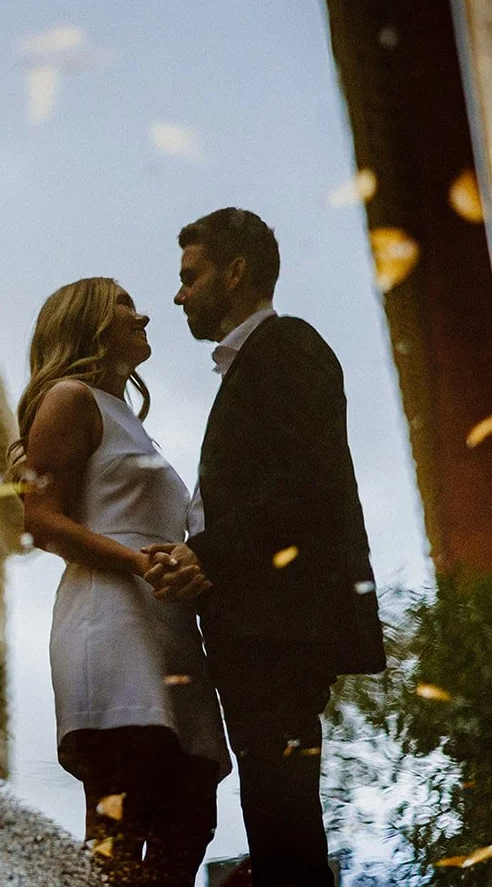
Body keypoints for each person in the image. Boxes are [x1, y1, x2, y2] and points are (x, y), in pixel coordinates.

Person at [144, 208, 386, 887]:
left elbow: (307, 485)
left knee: (282, 818)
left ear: (236, 271)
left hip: (281, 630)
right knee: (276, 812)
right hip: (262, 633)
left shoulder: (286, 347)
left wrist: (206, 555)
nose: (179, 294)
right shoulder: (257, 362)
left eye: (191, 276)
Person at [14, 277, 229, 886]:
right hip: (109, 622)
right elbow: (41, 521)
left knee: (190, 817)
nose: (144, 316)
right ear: (88, 322)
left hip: (170, 631)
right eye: (125, 304)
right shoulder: (69, 398)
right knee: (119, 825)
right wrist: (139, 562)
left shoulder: (128, 421)